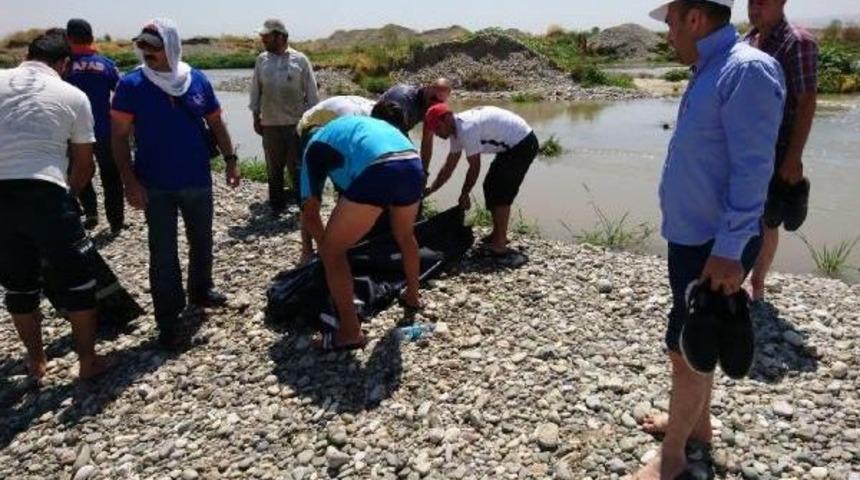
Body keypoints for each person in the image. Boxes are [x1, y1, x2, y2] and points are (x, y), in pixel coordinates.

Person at [635, 1, 785, 479]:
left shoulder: (747, 70)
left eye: (671, 23)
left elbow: (753, 168)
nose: (668, 35)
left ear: (695, 19)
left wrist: (729, 249)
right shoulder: (712, 67)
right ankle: (697, 429)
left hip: (713, 243)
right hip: (694, 237)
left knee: (681, 349)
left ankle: (673, 456)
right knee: (698, 337)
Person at [111, 19, 241, 349]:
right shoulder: (131, 84)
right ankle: (168, 321)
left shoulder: (196, 79)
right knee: (163, 253)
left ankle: (201, 290)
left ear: (170, 46)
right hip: (154, 184)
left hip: (197, 178)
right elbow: (119, 137)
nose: (146, 52)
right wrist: (129, 182)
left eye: (153, 47)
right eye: (141, 45)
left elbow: (216, 122)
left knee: (202, 240)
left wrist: (231, 160)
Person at [0, 34, 113, 380]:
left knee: (18, 284)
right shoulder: (72, 95)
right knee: (77, 280)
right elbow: (84, 164)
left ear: (27, 55)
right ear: (64, 63)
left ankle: (36, 362)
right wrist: (69, 195)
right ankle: (87, 361)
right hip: (45, 191)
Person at [300, 102, 423, 350]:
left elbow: (310, 211)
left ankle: (349, 332)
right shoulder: (350, 131)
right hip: (412, 161)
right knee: (404, 235)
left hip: (380, 167)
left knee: (333, 251)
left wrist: (326, 252)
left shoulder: (313, 147)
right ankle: (413, 295)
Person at [745, 0, 819, 301]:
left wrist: (793, 157)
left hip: (778, 148)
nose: (755, 7)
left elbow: (807, 101)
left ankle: (757, 284)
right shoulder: (747, 40)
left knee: (768, 218)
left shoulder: (798, 42)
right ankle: (735, 274)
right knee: (740, 210)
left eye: (762, 1)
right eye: (751, 1)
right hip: (745, 146)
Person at [423, 104, 539, 256]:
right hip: (510, 147)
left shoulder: (467, 128)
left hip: (523, 144)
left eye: (437, 128)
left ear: (447, 118)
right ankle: (497, 233)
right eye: (434, 130)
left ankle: (500, 243)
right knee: (490, 185)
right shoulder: (456, 131)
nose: (437, 134)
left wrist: (465, 194)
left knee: (501, 192)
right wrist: (431, 189)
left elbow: (475, 167)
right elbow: (449, 166)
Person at [250, 19, 319, 216]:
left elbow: (312, 94)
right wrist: (255, 116)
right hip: (270, 124)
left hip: (295, 125)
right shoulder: (262, 60)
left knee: (297, 167)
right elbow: (255, 90)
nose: (263, 39)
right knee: (274, 168)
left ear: (280, 37)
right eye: (262, 36)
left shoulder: (300, 60)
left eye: (267, 36)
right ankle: (277, 206)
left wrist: (311, 124)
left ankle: (302, 206)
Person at [295, 95, 377, 262]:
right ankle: (307, 250)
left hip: (339, 133)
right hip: (312, 128)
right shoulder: (354, 124)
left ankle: (344, 243)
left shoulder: (379, 122)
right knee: (310, 197)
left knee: (347, 193)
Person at [63, 18, 125, 233]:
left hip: (73, 132)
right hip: (104, 129)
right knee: (111, 176)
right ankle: (116, 222)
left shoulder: (64, 66)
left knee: (80, 172)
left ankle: (90, 214)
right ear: (91, 37)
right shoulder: (106, 64)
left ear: (68, 38)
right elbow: (122, 94)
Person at [380, 79, 452, 171]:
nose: (434, 104)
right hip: (381, 124)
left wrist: (424, 171)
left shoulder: (431, 108)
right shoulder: (405, 100)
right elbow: (393, 135)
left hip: (398, 128)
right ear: (427, 88)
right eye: (433, 98)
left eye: (439, 102)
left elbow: (427, 141)